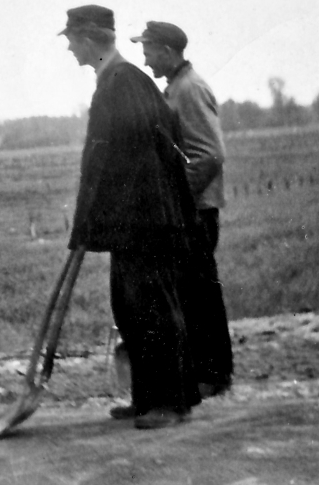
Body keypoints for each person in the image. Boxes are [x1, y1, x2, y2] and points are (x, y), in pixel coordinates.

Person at [60, 5, 198, 429]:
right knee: (133, 308)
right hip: (135, 220)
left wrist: (88, 220)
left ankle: (169, 403)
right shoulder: (122, 81)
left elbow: (111, 160)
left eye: (71, 40)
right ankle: (150, 397)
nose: (68, 48)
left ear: (87, 41)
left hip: (145, 220)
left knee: (152, 307)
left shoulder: (121, 84)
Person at [132, 20, 234, 398]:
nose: (145, 60)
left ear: (168, 52)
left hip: (195, 212)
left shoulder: (189, 89)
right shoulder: (177, 86)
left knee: (201, 294)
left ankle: (213, 375)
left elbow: (209, 155)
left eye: (149, 51)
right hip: (190, 210)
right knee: (192, 294)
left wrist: (177, 198)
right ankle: (204, 373)